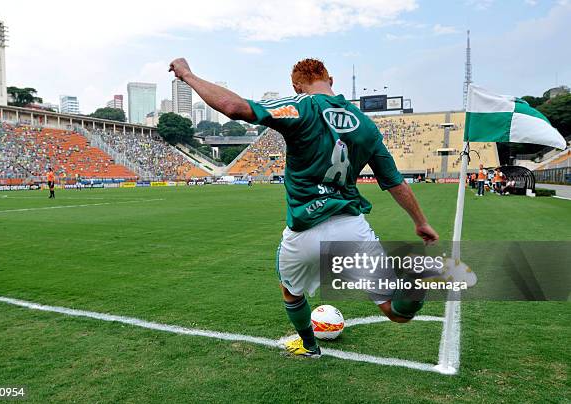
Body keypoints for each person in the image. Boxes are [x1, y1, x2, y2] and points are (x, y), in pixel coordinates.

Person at [169, 57, 439, 358]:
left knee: (290, 291)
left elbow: (235, 108)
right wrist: (420, 221)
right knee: (395, 311)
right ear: (331, 80)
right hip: (350, 227)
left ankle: (310, 346)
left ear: (297, 86)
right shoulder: (366, 125)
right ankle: (414, 288)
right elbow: (393, 181)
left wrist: (188, 75)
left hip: (303, 230)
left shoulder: (301, 106)